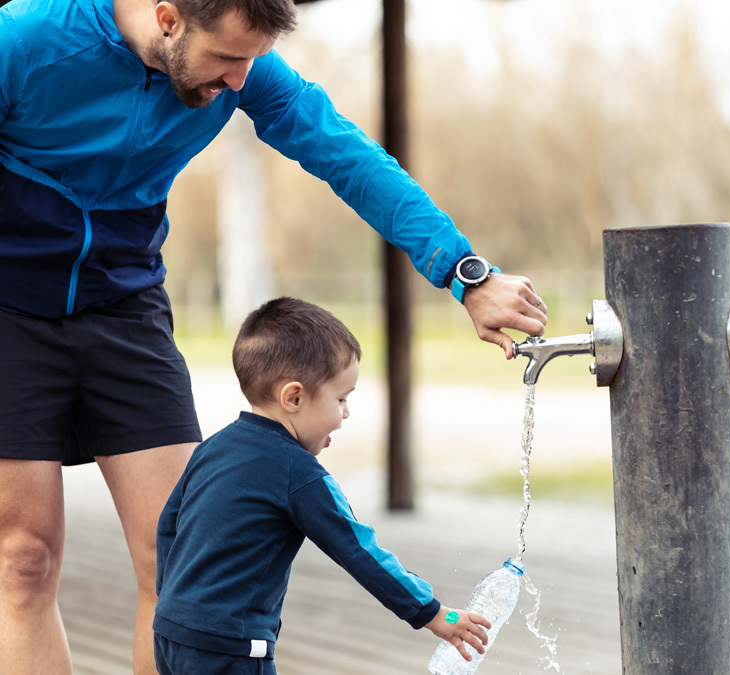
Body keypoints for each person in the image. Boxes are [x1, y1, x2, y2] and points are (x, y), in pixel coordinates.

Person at [0, 0, 546, 672]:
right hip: (8, 309)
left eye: (251, 60)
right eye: (228, 58)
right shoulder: (24, 41)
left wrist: (465, 272)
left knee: (179, 561)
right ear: (168, 18)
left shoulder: (246, 68)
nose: (241, 80)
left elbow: (345, 153)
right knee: (24, 557)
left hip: (124, 302)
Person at [154, 297, 490, 673]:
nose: (346, 412)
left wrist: (172, 598)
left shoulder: (214, 447)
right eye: (341, 398)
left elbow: (168, 526)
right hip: (229, 645)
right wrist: (434, 613)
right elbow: (359, 551)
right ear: (294, 397)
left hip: (170, 631)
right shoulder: (297, 472)